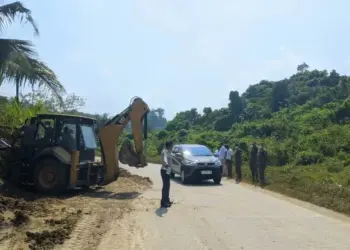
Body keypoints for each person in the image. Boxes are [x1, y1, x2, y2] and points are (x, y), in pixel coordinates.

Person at [160, 140, 174, 208]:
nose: (172, 147)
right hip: (164, 171)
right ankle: (163, 202)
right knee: (165, 186)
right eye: (172, 145)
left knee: (167, 186)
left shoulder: (168, 151)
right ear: (169, 145)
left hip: (167, 171)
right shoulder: (165, 151)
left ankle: (167, 200)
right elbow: (164, 161)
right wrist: (168, 166)